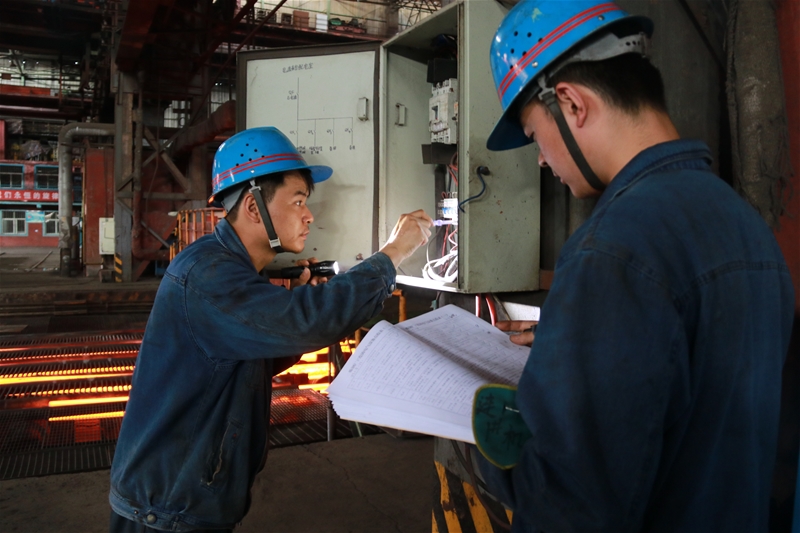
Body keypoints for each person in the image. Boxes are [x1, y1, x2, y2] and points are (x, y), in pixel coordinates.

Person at [476, 1, 795, 531]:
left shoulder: (610, 249)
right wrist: (577, 342)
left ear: (571, 103)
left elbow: (570, 503)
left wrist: (494, 445)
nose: (542, 159)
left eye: (534, 137)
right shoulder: (745, 224)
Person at [108, 126, 432, 532]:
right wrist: (393, 253)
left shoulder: (228, 269)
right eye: (298, 201)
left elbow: (248, 360)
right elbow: (311, 322)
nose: (309, 215)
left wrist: (293, 311)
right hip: (165, 508)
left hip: (182, 500)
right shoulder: (207, 275)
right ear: (253, 206)